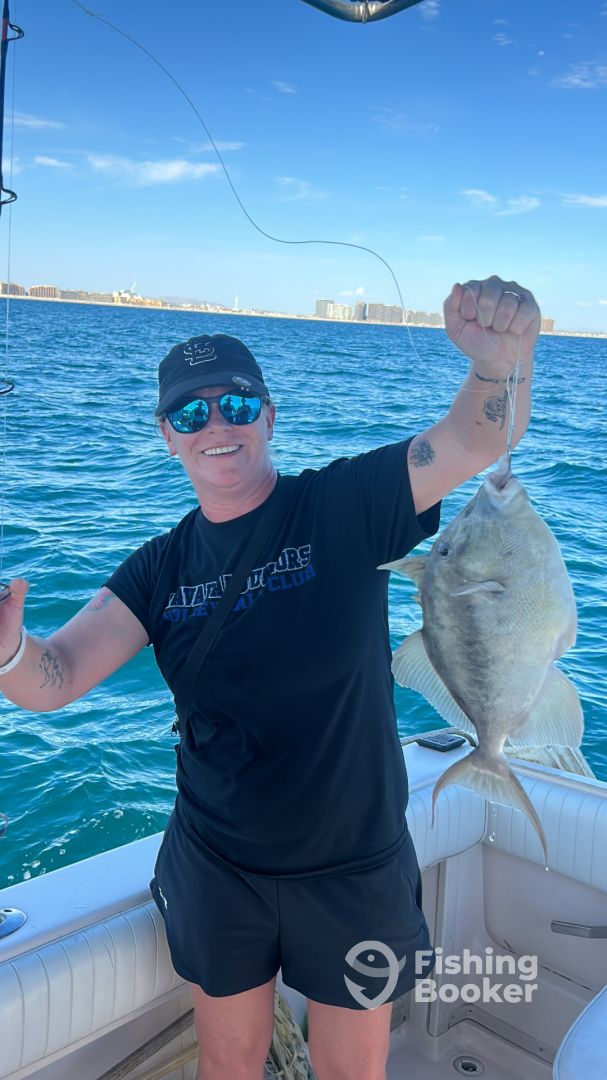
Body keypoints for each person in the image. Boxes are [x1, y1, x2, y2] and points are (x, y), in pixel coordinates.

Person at [0, 275, 540, 1080]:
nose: (216, 424)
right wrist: (9, 650)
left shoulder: (343, 504)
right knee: (228, 1065)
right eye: (191, 413)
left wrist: (498, 363)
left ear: (269, 416)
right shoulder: (158, 567)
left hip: (353, 865)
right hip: (217, 864)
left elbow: (473, 439)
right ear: (168, 436)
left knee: (351, 1072)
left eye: (236, 404)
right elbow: (55, 677)